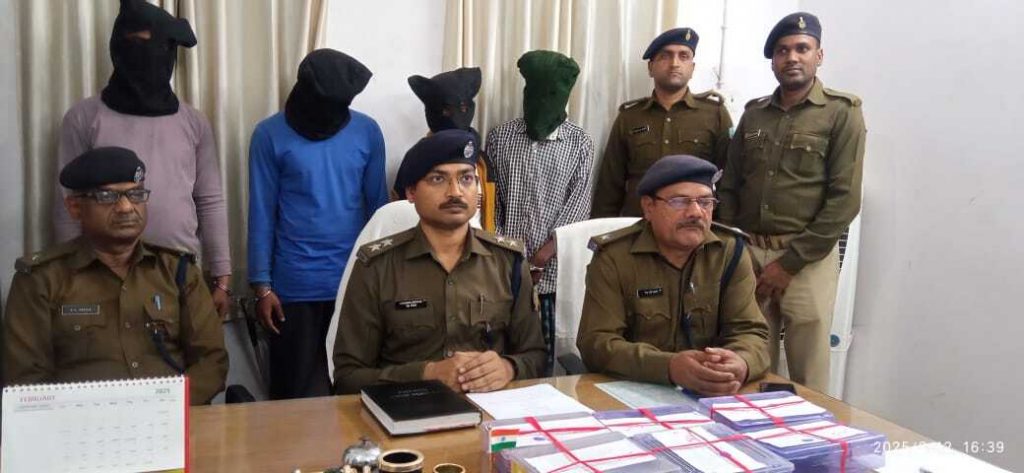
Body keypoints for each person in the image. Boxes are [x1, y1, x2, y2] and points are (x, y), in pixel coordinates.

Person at [4, 147, 228, 404]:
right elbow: (26, 379)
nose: (125, 207)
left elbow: (211, 360)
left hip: (172, 418)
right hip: (80, 422)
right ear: (75, 207)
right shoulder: (42, 279)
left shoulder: (177, 272)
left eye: (136, 194)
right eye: (107, 197)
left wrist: (166, 407)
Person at [52, 0, 232, 318]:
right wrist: (71, 273)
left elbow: (209, 199)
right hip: (105, 273)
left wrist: (222, 276)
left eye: (156, 46)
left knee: (186, 350)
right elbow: (69, 202)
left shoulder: (193, 122)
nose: (145, 55)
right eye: (135, 43)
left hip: (179, 271)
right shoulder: (84, 118)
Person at [717, 12, 866, 392]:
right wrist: (737, 247)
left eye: (802, 48)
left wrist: (789, 263)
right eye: (783, 51)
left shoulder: (841, 112)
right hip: (750, 255)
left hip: (806, 259)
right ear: (773, 61)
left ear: (819, 55)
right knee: (750, 361)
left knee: (808, 371)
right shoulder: (754, 114)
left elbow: (845, 199)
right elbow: (730, 185)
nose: (792, 57)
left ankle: (813, 429)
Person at [333, 130, 546, 394]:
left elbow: (536, 355)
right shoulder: (376, 267)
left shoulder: (508, 261)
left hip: (491, 408)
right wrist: (426, 374)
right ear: (411, 192)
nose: (455, 192)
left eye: (466, 179)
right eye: (438, 179)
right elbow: (348, 377)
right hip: (407, 408)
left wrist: (508, 367)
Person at [247, 49, 388, 399]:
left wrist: (386, 281)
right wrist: (262, 286)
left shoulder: (367, 132)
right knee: (292, 398)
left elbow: (379, 210)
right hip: (293, 288)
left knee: (356, 394)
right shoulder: (269, 134)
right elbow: (261, 211)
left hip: (355, 284)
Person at [577, 155, 769, 395]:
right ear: (649, 207)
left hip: (715, 392)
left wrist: (741, 362)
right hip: (635, 390)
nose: (696, 212)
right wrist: (668, 367)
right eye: (679, 201)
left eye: (705, 202)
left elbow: (751, 332)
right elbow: (597, 343)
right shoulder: (615, 257)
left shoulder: (729, 251)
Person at [484, 50, 594, 375]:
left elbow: (578, 205)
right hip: (503, 267)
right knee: (499, 352)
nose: (543, 100)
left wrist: (542, 257)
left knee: (542, 355)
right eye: (536, 91)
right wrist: (510, 254)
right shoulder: (501, 137)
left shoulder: (579, 143)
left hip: (551, 272)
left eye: (552, 93)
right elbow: (493, 201)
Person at [592, 27, 732, 218]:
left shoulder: (715, 114)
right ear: (651, 68)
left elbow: (727, 182)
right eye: (665, 56)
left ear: (692, 68)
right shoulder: (630, 117)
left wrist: (721, 229)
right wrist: (603, 231)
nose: (674, 63)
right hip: (637, 226)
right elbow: (609, 187)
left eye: (683, 56)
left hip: (693, 226)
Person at [406, 67, 498, 230]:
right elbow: (401, 215)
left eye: (462, 109)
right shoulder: (417, 161)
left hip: (476, 243)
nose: (455, 117)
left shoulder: (482, 162)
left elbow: (488, 212)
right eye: (446, 110)